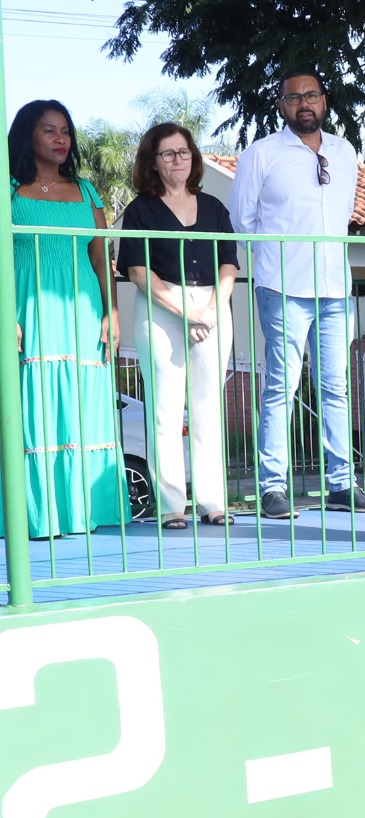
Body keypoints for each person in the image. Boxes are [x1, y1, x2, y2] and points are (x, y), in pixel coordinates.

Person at [229, 70, 365, 520]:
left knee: (336, 388)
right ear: (281, 105)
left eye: (311, 95)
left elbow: (342, 216)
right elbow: (242, 219)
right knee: (281, 387)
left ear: (325, 101)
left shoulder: (345, 152)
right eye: (294, 98)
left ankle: (341, 484)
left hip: (334, 287)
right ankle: (272, 487)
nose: (304, 103)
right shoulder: (261, 154)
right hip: (282, 286)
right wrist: (275, 259)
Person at [2, 100, 126, 538]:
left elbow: (100, 256)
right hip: (27, 308)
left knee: (82, 404)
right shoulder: (8, 187)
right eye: (48, 130)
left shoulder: (88, 190)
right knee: (32, 405)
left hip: (82, 308)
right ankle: (36, 517)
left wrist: (111, 309)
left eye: (65, 131)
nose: (60, 139)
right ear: (27, 135)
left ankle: (81, 512)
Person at [120, 121, 239, 530]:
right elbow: (136, 270)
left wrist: (209, 309)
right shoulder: (140, 210)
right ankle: (172, 504)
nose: (177, 160)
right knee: (166, 410)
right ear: (153, 161)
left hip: (212, 304)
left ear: (194, 157)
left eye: (183, 152)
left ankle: (213, 501)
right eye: (168, 153)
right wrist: (185, 312)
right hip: (161, 307)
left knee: (208, 408)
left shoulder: (214, 207)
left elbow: (229, 262)